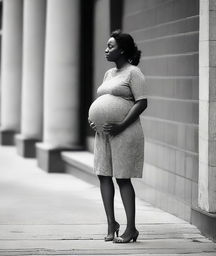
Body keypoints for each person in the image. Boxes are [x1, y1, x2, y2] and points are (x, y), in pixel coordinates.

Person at [88, 30, 147, 243]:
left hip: (125, 131)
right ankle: (111, 223)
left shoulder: (134, 72)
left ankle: (131, 229)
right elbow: (103, 102)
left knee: (122, 178)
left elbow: (142, 102)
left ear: (122, 50)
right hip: (104, 134)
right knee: (103, 175)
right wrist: (95, 120)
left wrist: (121, 124)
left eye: (110, 46)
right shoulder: (108, 74)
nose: (106, 49)